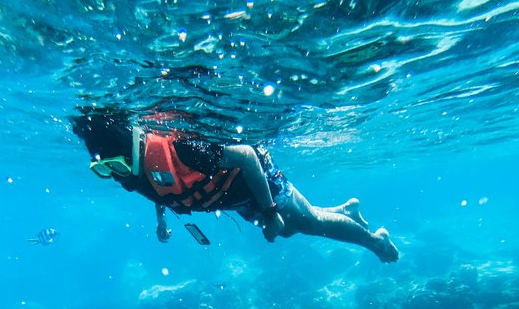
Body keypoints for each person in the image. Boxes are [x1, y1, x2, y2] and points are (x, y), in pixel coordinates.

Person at [72, 110, 399, 263]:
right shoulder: (136, 170)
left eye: (116, 166)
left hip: (255, 179)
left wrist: (269, 211)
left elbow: (245, 156)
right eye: (104, 170)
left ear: (130, 150)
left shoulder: (181, 150)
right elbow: (159, 188)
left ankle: (375, 241)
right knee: (289, 229)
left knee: (310, 222)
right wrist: (160, 220)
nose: (115, 175)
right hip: (237, 197)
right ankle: (347, 210)